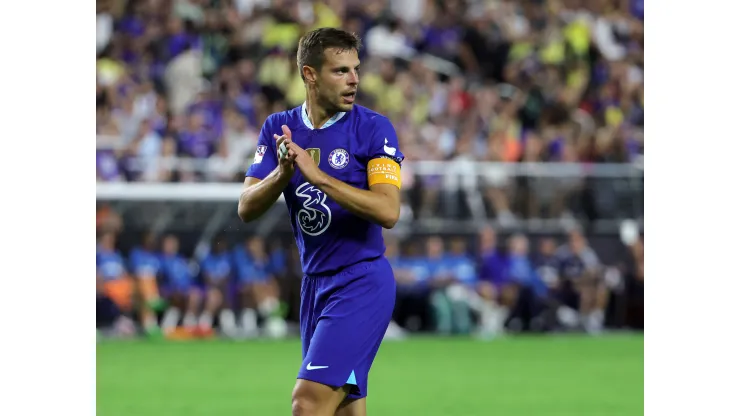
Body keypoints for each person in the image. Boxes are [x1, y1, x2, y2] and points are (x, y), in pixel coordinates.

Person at [238, 27, 404, 416]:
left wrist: (318, 177)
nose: (354, 80)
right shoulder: (279, 127)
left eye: (355, 69)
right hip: (314, 287)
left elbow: (388, 211)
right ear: (309, 75)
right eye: (340, 71)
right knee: (345, 410)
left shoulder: (373, 128)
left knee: (307, 402)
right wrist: (281, 174)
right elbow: (245, 207)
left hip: (360, 281)